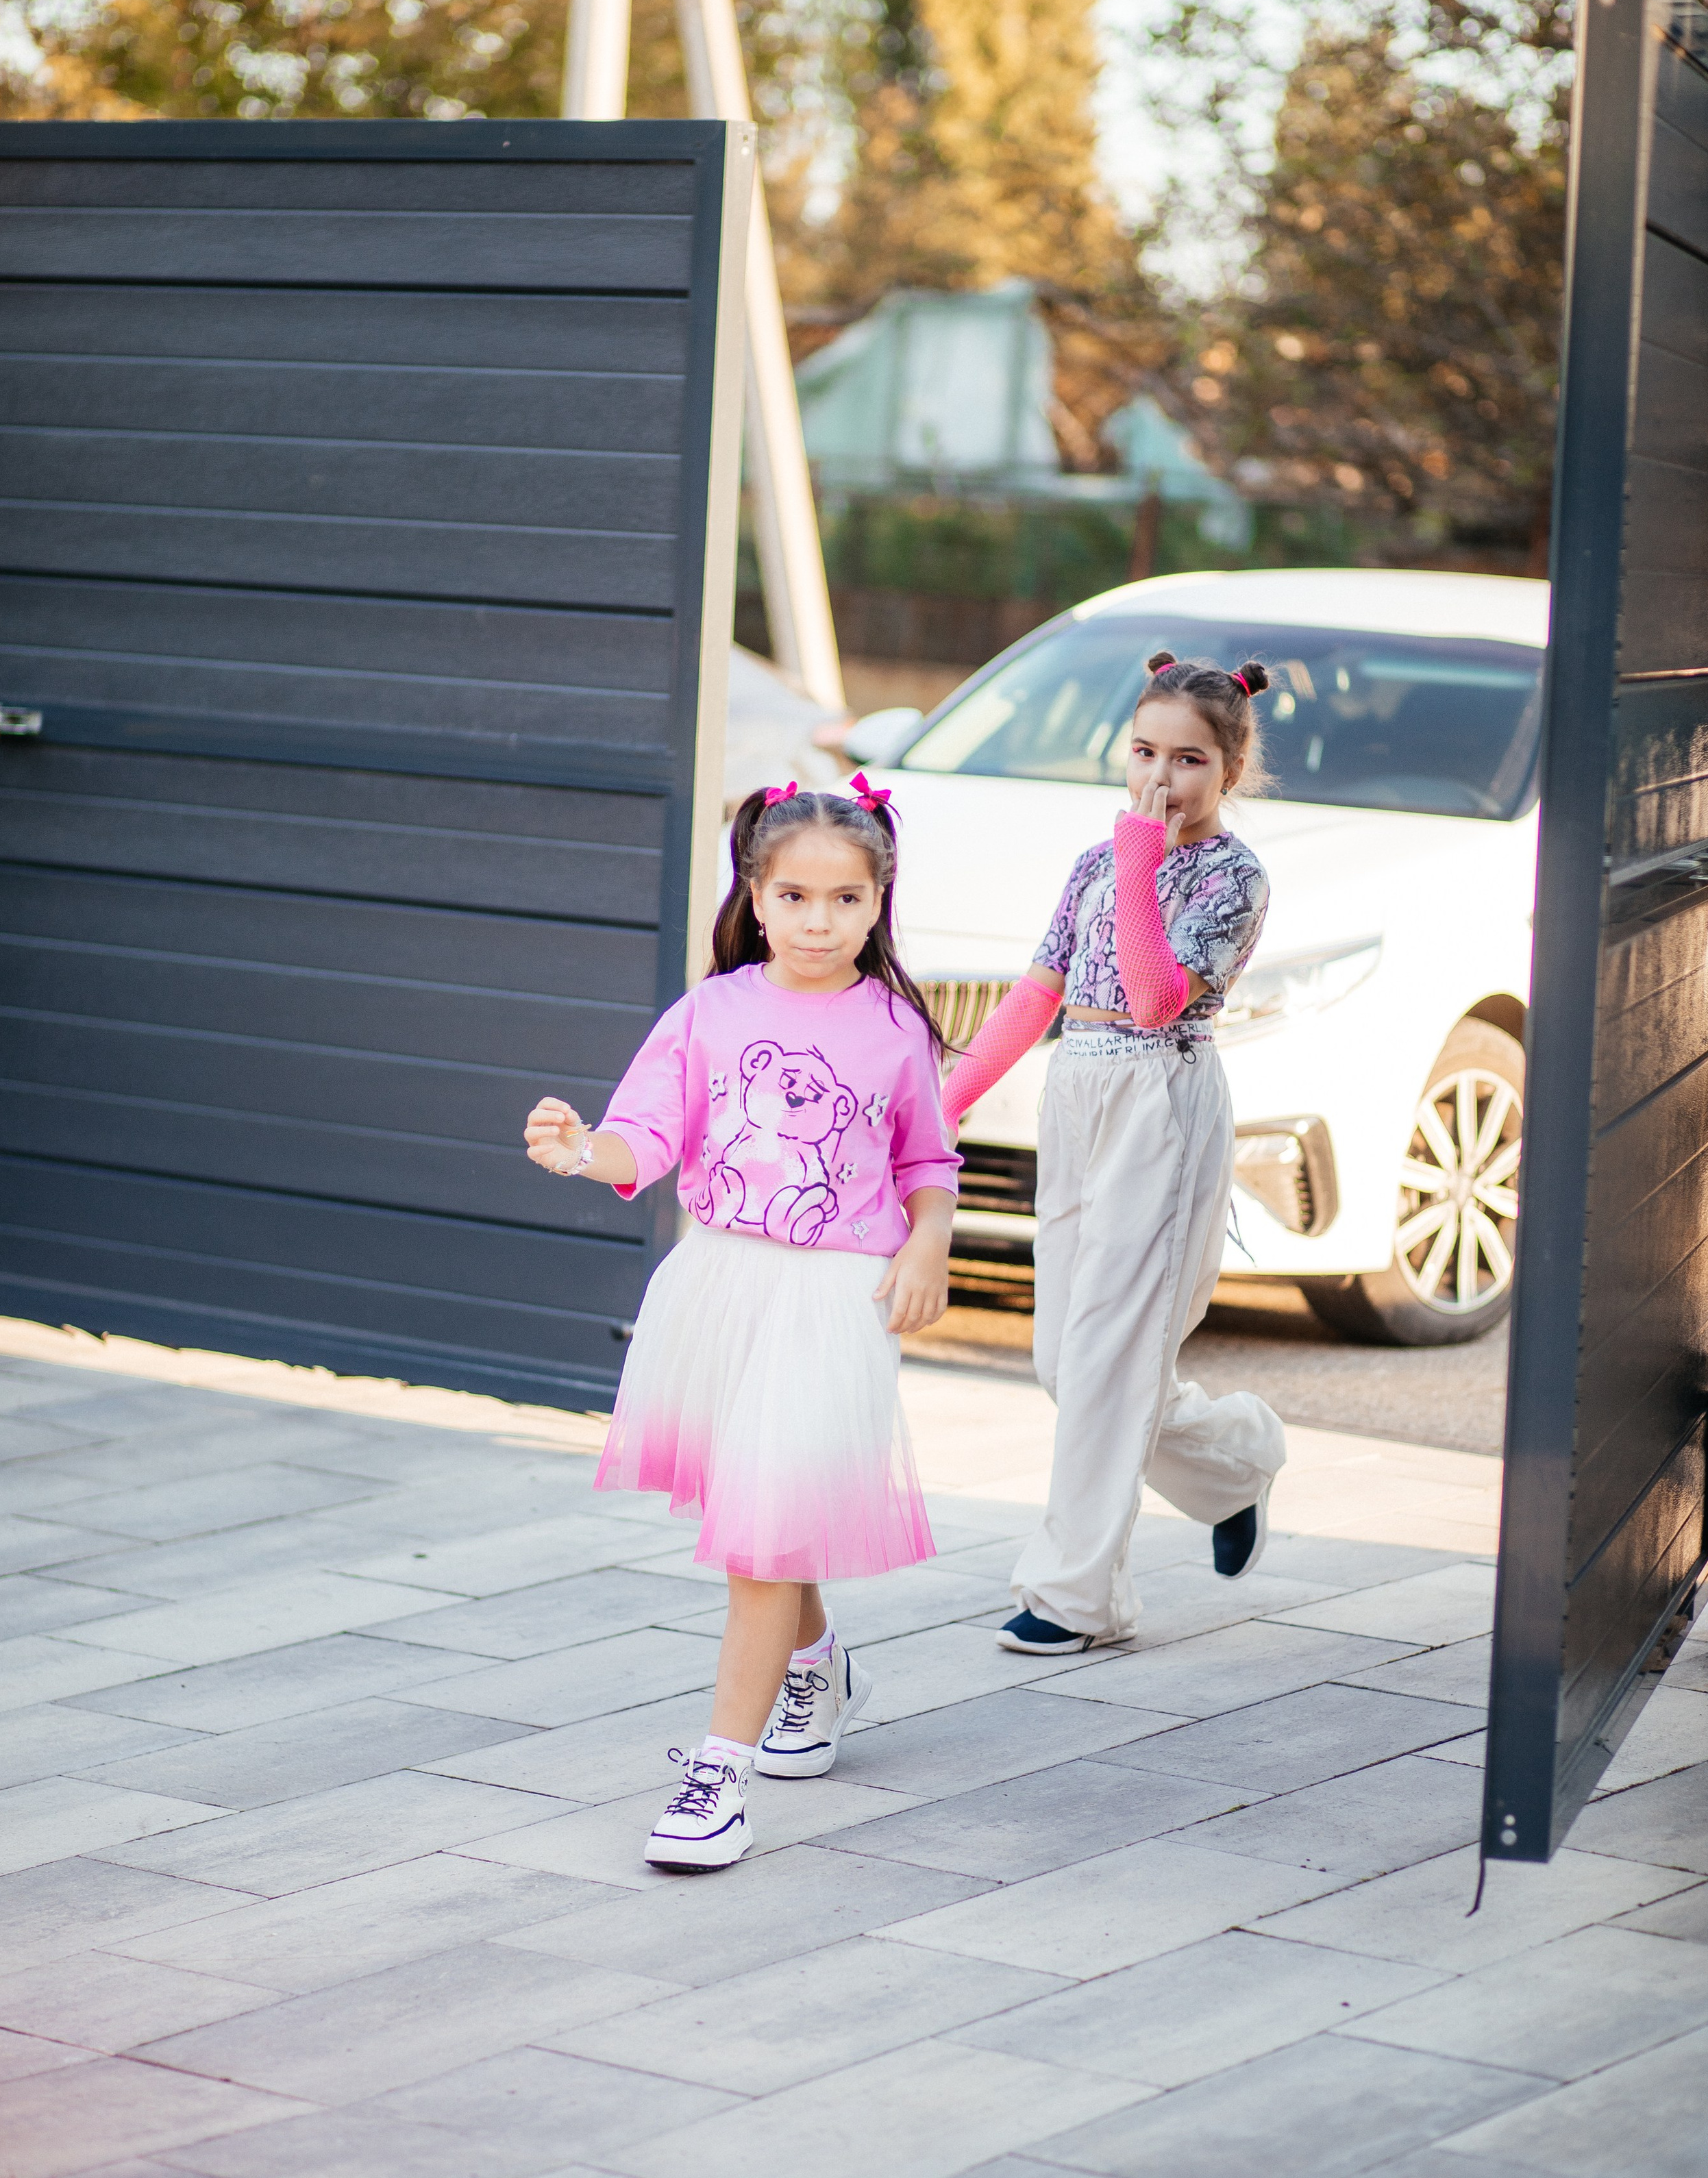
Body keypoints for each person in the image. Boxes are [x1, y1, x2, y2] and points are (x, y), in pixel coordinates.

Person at [523, 776, 958, 1870]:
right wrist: (583, 1150)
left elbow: (927, 1160)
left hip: (831, 1298)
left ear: (879, 899)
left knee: (764, 1538)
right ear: (756, 897)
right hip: (719, 1285)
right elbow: (642, 1136)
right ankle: (816, 1669)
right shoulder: (711, 1013)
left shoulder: (896, 1025)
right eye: (798, 896)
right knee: (758, 1517)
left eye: (847, 899)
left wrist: (928, 1242)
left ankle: (719, 1775)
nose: (822, 922)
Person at [940, 651, 1287, 1655]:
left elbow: (1152, 999)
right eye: (1144, 752)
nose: (1160, 778)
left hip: (1160, 1099)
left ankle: (1074, 1597)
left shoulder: (1235, 877)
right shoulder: (1095, 863)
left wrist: (1142, 859)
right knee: (1066, 1358)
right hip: (1077, 1091)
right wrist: (946, 1105)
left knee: (1109, 1359)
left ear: (1230, 769)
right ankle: (1233, 1461)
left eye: (1187, 760)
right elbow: (1038, 993)